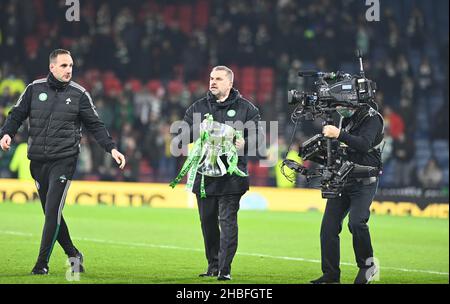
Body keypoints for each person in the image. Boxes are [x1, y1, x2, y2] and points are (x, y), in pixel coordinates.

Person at [0, 49, 126, 275]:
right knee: (52, 213)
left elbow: (95, 125)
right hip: (37, 161)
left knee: (52, 211)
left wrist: (112, 148)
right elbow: (17, 114)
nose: (69, 70)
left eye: (71, 66)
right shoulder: (33, 89)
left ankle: (41, 264)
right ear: (52, 67)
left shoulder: (79, 94)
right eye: (64, 66)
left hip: (64, 160)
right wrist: (7, 132)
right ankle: (73, 253)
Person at [179, 66, 262, 281]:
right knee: (207, 222)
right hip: (205, 176)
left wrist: (245, 143)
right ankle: (213, 264)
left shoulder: (247, 109)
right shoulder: (197, 108)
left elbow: (258, 141)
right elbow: (180, 138)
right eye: (211, 78)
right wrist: (199, 129)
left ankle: (225, 269)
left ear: (229, 84)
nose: (212, 82)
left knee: (227, 222)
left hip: (232, 178)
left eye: (218, 79)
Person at [311, 104, 384, 284]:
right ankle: (330, 275)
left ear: (353, 102)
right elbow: (345, 146)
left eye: (341, 105)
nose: (338, 109)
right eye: (336, 106)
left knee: (357, 222)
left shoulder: (372, 118)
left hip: (365, 180)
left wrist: (338, 134)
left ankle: (368, 267)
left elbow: (363, 144)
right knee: (328, 227)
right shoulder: (347, 119)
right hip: (344, 177)